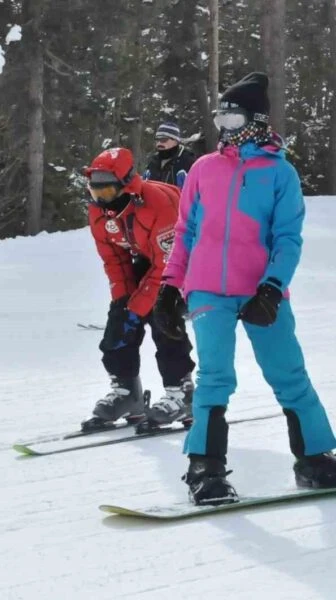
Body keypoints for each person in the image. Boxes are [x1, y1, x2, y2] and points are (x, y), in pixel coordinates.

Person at [154, 72, 336, 506]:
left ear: (255, 120)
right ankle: (205, 468)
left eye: (233, 119)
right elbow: (186, 230)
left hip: (261, 293)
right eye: (221, 118)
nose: (225, 128)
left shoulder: (281, 174)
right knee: (215, 377)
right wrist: (169, 287)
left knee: (288, 375)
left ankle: (314, 458)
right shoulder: (203, 169)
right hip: (208, 291)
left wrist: (272, 289)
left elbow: (288, 239)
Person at [81, 147, 196, 432]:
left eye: (107, 193)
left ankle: (182, 393)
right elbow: (114, 260)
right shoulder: (98, 213)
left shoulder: (159, 204)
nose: (101, 201)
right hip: (149, 254)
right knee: (119, 322)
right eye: (95, 193)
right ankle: (127, 392)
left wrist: (138, 307)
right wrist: (124, 304)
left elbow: (167, 268)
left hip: (189, 254)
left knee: (163, 316)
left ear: (127, 185)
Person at [143, 122, 196, 189]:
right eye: (157, 140)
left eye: (163, 140)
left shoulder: (188, 161)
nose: (159, 143)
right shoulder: (153, 161)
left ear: (175, 141)